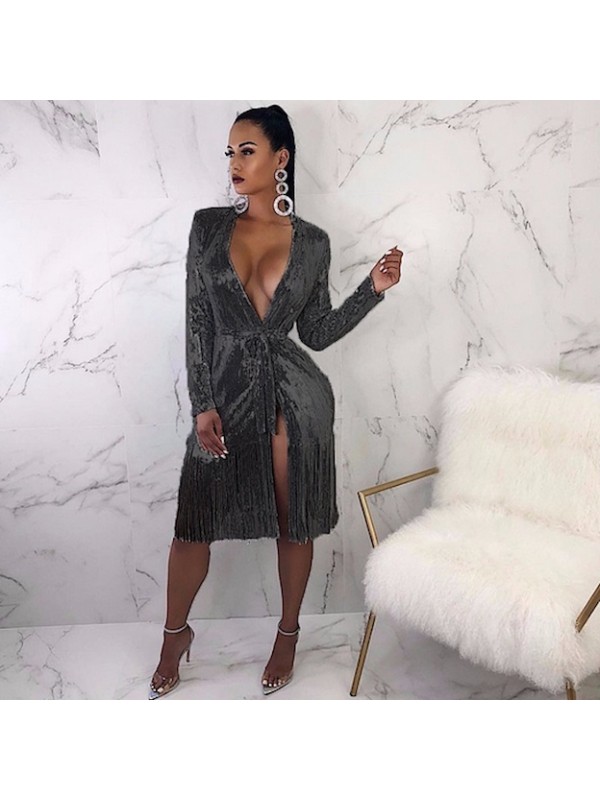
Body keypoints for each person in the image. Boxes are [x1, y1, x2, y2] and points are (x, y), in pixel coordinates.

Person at [149, 104, 402, 699]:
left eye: (247, 150)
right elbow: (197, 321)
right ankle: (173, 634)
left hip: (294, 395)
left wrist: (371, 291)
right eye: (230, 152)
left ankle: (288, 634)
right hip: (225, 390)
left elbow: (314, 332)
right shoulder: (209, 227)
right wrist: (203, 403)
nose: (234, 163)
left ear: (280, 158)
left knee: (295, 521)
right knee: (193, 525)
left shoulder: (313, 242)